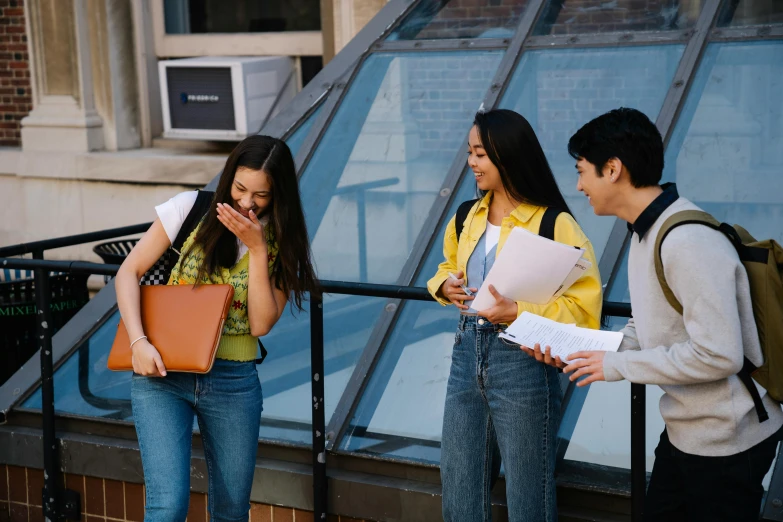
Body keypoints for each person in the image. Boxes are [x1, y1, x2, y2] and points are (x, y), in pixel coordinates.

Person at [532, 107, 783, 521]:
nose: (578, 186)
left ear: (612, 169)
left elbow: (720, 354)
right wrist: (583, 352)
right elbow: (646, 324)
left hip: (729, 441)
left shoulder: (686, 242)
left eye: (582, 172)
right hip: (687, 432)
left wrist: (617, 365)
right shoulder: (645, 230)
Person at [115, 135, 318, 522]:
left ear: (277, 195)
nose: (246, 202)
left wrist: (257, 249)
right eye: (240, 188)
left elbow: (260, 324)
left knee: (230, 511)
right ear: (228, 178)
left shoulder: (278, 240)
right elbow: (129, 271)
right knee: (167, 505)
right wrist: (138, 342)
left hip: (234, 380)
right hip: (162, 369)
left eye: (261, 195)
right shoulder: (189, 208)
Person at [427, 109, 603, 522]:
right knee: (459, 491)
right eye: (469, 152)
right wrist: (442, 285)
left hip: (524, 360)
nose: (472, 162)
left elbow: (584, 309)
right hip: (465, 355)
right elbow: (447, 266)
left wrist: (518, 310)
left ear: (508, 156)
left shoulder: (553, 222)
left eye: (481, 154)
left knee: (529, 498)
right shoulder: (466, 215)